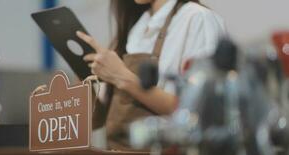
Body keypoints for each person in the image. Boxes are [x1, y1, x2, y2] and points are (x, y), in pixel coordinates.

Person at [76, 0, 226, 146]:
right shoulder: (136, 28)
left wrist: (123, 77)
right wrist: (86, 86)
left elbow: (200, 115)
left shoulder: (197, 18)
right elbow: (98, 122)